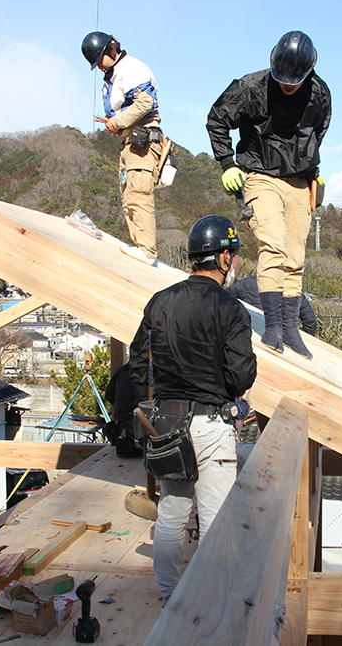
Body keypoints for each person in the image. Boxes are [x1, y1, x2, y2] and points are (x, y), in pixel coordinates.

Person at [129, 215, 258, 607]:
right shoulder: (230, 307)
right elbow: (241, 375)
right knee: (216, 521)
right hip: (211, 423)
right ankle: (211, 598)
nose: (235, 264)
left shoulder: (160, 301)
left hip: (167, 424)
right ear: (222, 257)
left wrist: (144, 409)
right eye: (233, 256)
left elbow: (137, 362)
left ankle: (171, 595)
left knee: (172, 511)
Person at [206, 30, 331, 359]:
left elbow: (319, 131)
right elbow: (217, 118)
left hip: (301, 181)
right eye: (283, 78)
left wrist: (307, 170)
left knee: (295, 257)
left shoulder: (319, 93)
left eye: (295, 80)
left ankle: (291, 327)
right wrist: (226, 163)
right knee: (272, 244)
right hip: (260, 175)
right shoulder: (251, 87)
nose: (289, 84)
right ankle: (273, 325)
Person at [81, 31, 163, 262]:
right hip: (129, 142)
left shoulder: (131, 68)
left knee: (139, 194)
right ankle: (140, 246)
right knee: (128, 199)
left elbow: (146, 102)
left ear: (110, 50)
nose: (98, 67)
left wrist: (115, 122)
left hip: (143, 139)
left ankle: (147, 250)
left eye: (99, 61)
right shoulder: (114, 74)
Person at [226, 274, 317, 336]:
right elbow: (310, 321)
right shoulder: (293, 290)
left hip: (249, 340)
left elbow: (223, 299)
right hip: (280, 344)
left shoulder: (247, 283)